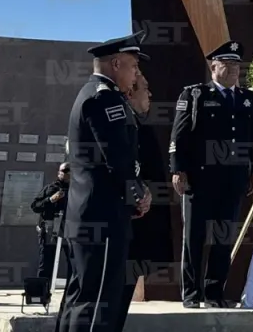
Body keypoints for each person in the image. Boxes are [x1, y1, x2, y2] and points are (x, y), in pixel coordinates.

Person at [56, 33, 150, 332]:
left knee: (81, 294)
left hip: (88, 214)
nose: (136, 75)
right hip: (103, 216)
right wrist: (138, 193)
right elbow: (117, 157)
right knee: (98, 299)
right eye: (133, 67)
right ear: (116, 63)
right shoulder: (104, 96)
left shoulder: (93, 92)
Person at [169, 41, 253, 308]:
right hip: (200, 179)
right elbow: (179, 134)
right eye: (228, 64)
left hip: (234, 180)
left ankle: (214, 294)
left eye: (237, 65)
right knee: (195, 238)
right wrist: (178, 169)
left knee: (224, 238)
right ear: (214, 66)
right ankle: (191, 294)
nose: (234, 70)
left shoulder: (249, 99)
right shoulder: (195, 95)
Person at [111, 71, 173, 332]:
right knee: (112, 301)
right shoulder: (124, 126)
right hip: (129, 230)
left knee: (121, 302)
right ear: (129, 92)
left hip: (141, 231)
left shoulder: (138, 125)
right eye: (144, 89)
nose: (150, 95)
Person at [31, 164, 70, 281]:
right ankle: (41, 294)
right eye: (66, 170)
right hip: (50, 230)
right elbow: (35, 206)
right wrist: (51, 199)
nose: (69, 173)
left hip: (70, 229)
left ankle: (71, 296)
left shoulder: (77, 190)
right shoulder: (50, 188)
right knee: (46, 263)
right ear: (59, 172)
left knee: (74, 263)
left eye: (71, 171)